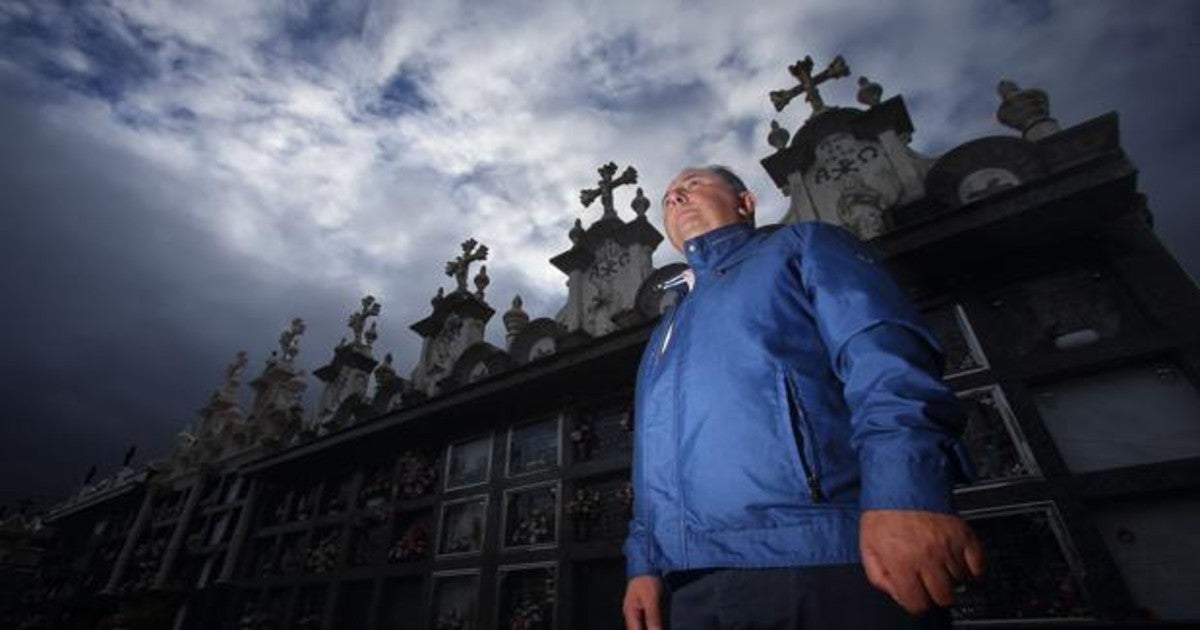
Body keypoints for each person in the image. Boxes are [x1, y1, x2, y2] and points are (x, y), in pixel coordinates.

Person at [622, 166, 984, 629]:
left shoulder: (803, 246)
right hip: (689, 586)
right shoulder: (667, 327)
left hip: (826, 555)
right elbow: (651, 456)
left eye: (692, 185)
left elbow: (883, 356)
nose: (676, 197)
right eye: (669, 196)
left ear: (745, 202)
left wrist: (908, 493)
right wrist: (645, 564)